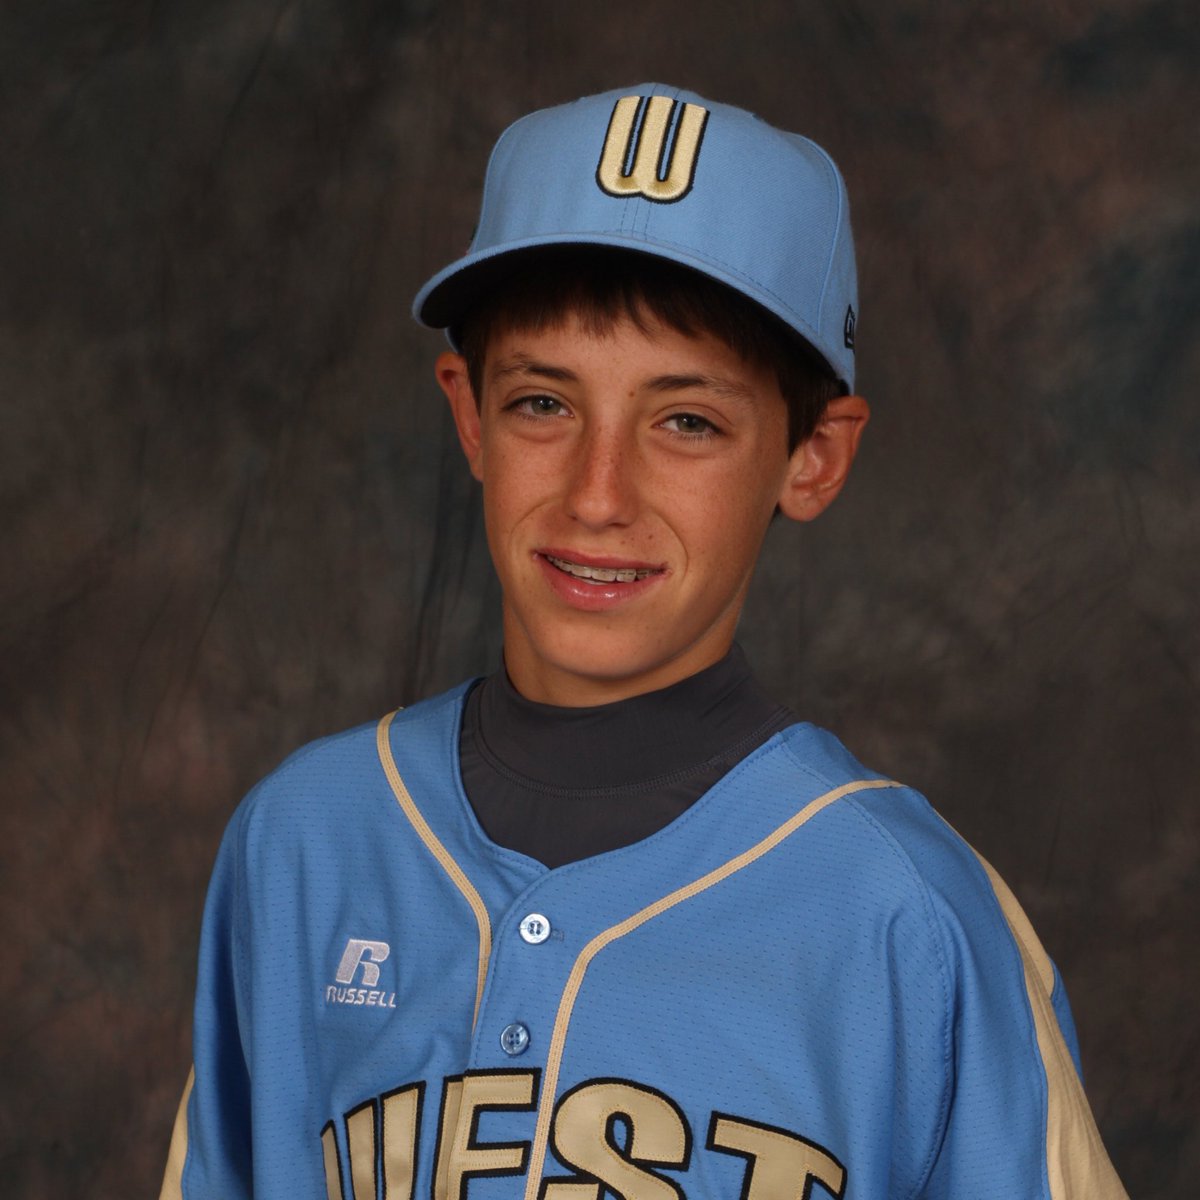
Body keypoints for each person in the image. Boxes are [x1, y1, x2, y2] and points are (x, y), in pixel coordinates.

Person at [160, 85, 1128, 1199]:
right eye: (542, 404)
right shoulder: (305, 842)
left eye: (687, 422)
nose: (598, 495)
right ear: (469, 414)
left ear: (814, 456)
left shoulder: (908, 913)